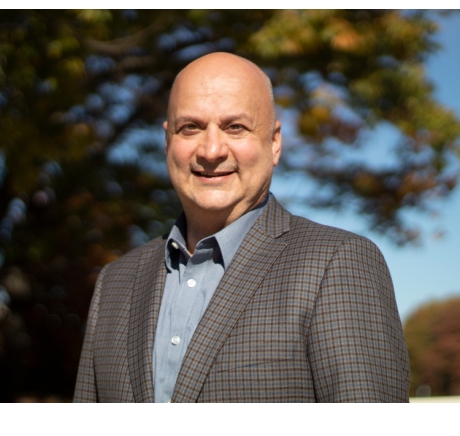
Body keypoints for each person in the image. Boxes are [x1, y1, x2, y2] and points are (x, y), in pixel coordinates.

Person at [73, 52, 410, 403]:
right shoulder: (115, 283)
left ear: (274, 142)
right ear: (167, 142)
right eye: (190, 127)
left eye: (235, 127)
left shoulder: (337, 264)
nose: (211, 150)